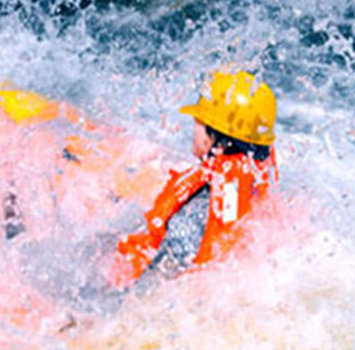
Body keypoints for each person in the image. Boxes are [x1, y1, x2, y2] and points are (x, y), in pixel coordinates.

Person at [109, 69, 279, 288]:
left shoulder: (189, 221)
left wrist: (102, 314)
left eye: (198, 120)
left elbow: (151, 293)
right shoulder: (249, 179)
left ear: (214, 142)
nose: (194, 125)